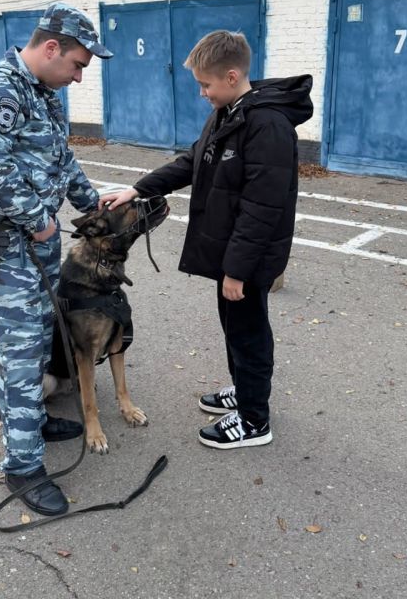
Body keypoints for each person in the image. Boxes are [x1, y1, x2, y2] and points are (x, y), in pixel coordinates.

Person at [102, 30, 312, 450]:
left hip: (246, 259)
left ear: (231, 76)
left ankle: (255, 420)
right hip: (230, 253)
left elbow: (261, 208)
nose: (202, 93)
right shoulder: (230, 111)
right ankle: (246, 390)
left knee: (249, 332)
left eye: (206, 85)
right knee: (235, 327)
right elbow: (191, 162)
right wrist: (138, 190)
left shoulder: (266, 125)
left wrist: (236, 270)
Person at [0, 2, 113, 514]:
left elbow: (62, 158)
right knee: (22, 353)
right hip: (10, 244)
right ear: (52, 48)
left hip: (40, 243)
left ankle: (34, 420)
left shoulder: (45, 93)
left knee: (44, 334)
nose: (77, 77)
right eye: (77, 65)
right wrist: (38, 218)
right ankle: (22, 467)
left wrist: (93, 205)